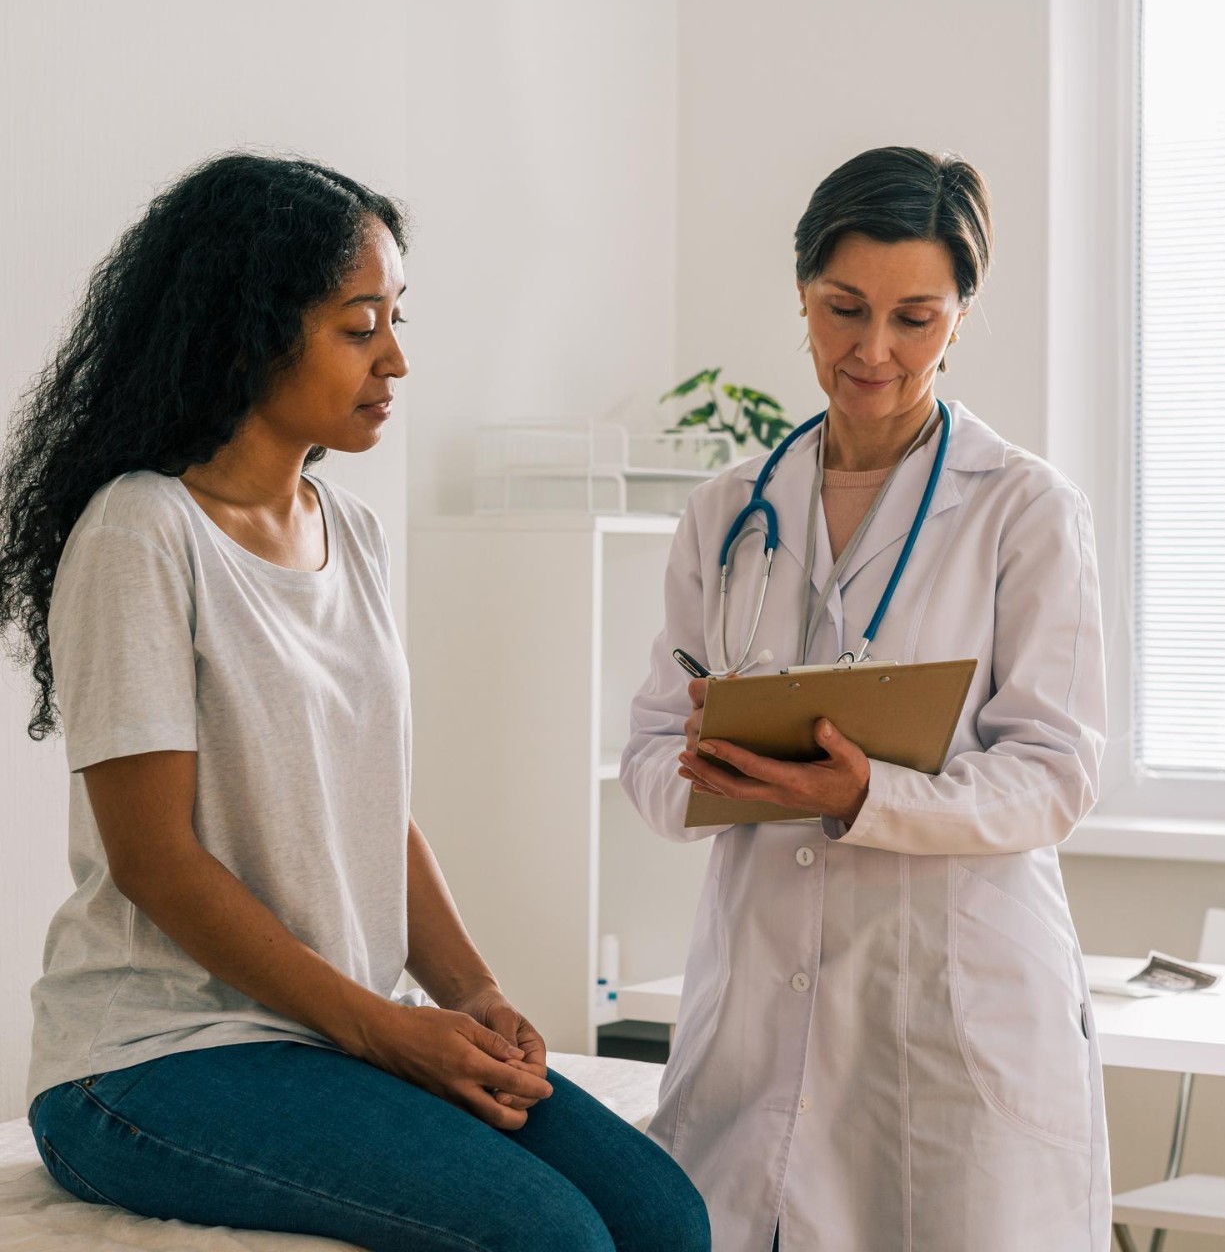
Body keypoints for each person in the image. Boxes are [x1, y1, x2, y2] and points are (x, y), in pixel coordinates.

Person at [0, 152, 710, 1252]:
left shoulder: (355, 533)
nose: (396, 358)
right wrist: (383, 1030)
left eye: (395, 318)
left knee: (666, 1216)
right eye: (358, 325)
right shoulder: (142, 531)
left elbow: (376, 809)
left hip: (325, 1033)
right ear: (249, 333)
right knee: (553, 1238)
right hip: (150, 1058)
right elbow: (154, 860)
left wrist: (471, 993)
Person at [621, 146, 1110, 1251]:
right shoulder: (727, 512)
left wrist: (865, 796)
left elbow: (1054, 771)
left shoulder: (1024, 508)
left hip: (952, 1006)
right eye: (843, 309)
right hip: (758, 1005)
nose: (872, 350)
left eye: (914, 318)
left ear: (960, 317)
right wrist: (702, 773)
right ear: (801, 292)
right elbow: (651, 741)